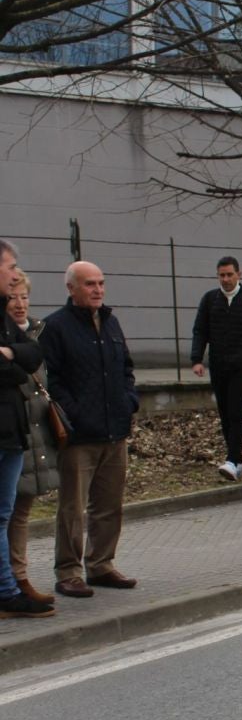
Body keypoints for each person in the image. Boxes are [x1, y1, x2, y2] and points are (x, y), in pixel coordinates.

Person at [40, 261, 140, 599]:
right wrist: (75, 413)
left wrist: (129, 400)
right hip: (80, 434)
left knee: (109, 504)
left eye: (101, 283)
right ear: (71, 288)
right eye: (89, 284)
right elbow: (51, 380)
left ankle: (101, 564)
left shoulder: (111, 322)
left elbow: (126, 367)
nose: (97, 289)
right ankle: (68, 571)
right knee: (73, 507)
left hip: (115, 429)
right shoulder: (56, 327)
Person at [0, 241, 52, 619]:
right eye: (10, 267)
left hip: (13, 433)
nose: (15, 273)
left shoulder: (6, 320)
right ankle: (7, 590)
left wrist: (9, 355)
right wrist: (15, 361)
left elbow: (31, 356)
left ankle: (7, 589)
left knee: (5, 514)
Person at [7, 269, 62, 608]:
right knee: (8, 512)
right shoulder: (9, 338)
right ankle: (14, 577)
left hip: (37, 434)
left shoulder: (38, 333)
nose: (20, 303)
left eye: (24, 296)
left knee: (21, 511)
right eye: (13, 297)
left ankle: (17, 575)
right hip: (14, 432)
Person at [190, 256, 242, 482]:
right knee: (225, 413)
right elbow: (200, 330)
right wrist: (197, 359)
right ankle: (237, 459)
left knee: (236, 412)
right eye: (222, 275)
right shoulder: (209, 300)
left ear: (239, 274)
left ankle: (232, 460)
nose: (225, 279)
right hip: (218, 365)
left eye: (229, 274)